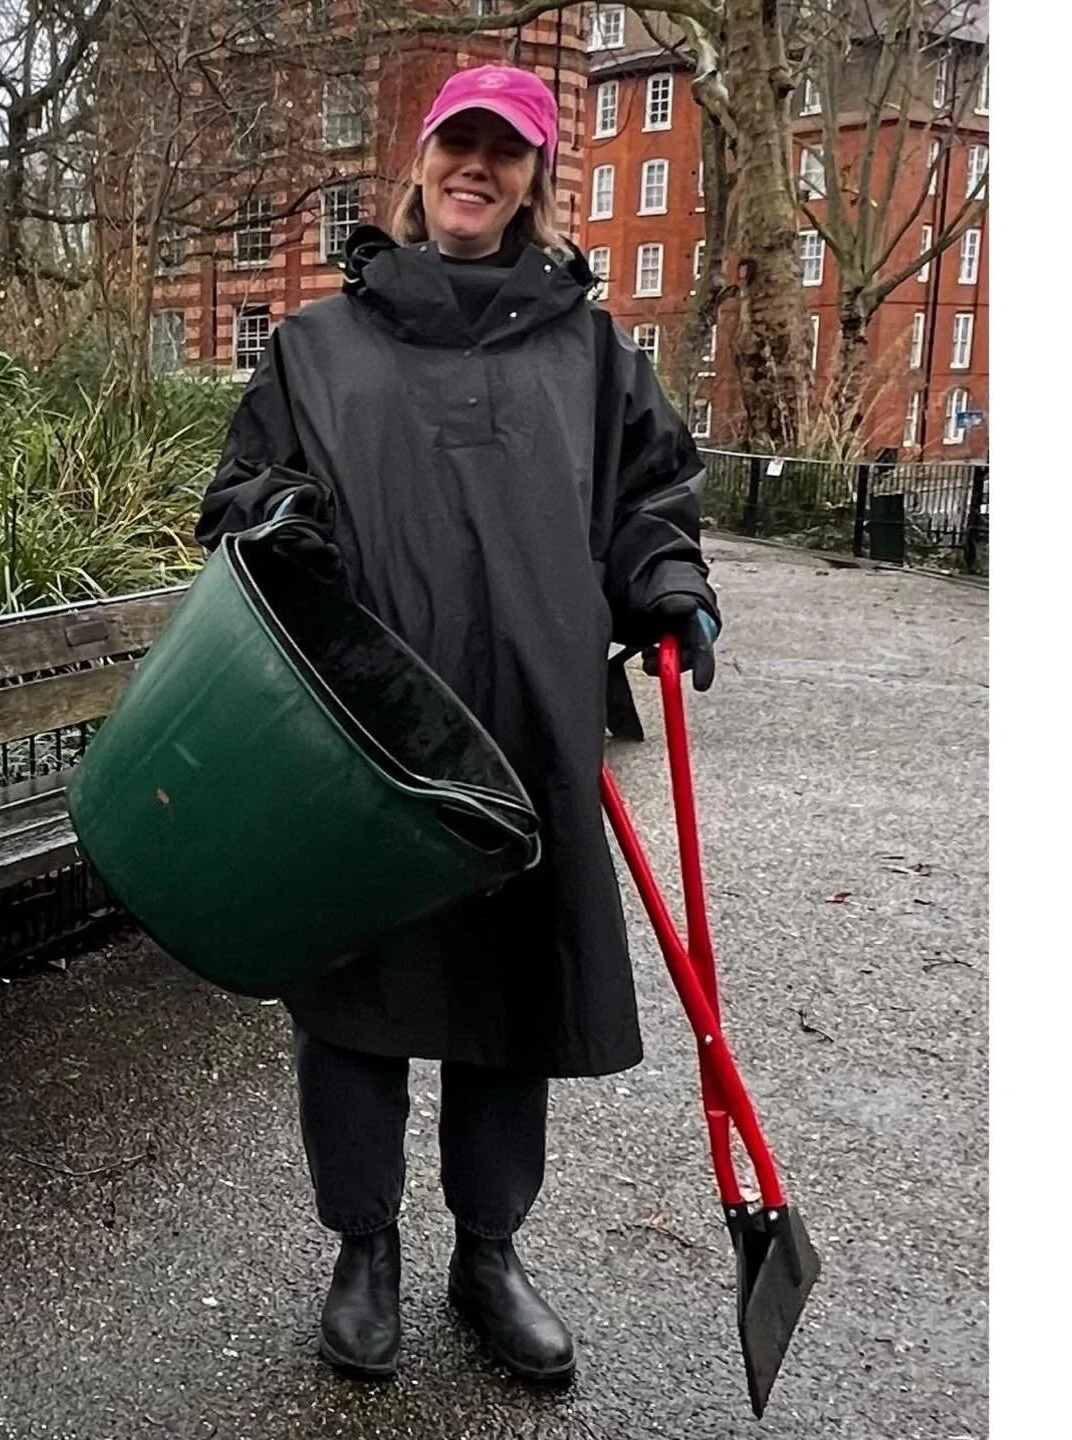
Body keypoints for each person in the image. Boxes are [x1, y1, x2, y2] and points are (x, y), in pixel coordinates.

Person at [195, 62, 720, 1385]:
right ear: (421, 161)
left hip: (529, 730)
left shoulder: (590, 353)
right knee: (355, 997)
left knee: (512, 996)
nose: (475, 167)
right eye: (456, 143)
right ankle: (363, 1249)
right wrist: (279, 521)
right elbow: (243, 494)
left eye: (505, 150)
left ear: (534, 177)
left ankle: (489, 1254)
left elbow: (649, 497)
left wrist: (668, 582)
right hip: (362, 741)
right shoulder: (318, 348)